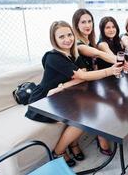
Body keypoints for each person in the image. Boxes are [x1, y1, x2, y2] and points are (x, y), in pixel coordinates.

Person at [25, 21, 122, 167]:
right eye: (62, 36)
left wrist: (62, 86)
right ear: (54, 39)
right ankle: (58, 152)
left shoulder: (73, 52)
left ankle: (73, 145)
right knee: (82, 117)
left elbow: (83, 73)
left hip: (62, 94)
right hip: (45, 99)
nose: (67, 39)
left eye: (69, 35)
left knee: (92, 107)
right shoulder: (53, 57)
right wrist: (110, 71)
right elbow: (82, 76)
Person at [72, 8, 116, 155]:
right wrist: (122, 61)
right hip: (77, 86)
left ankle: (106, 133)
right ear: (76, 25)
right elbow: (98, 53)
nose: (87, 25)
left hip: (90, 83)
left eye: (89, 21)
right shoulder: (79, 44)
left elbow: (94, 64)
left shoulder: (89, 41)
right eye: (83, 22)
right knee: (104, 102)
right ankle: (101, 138)